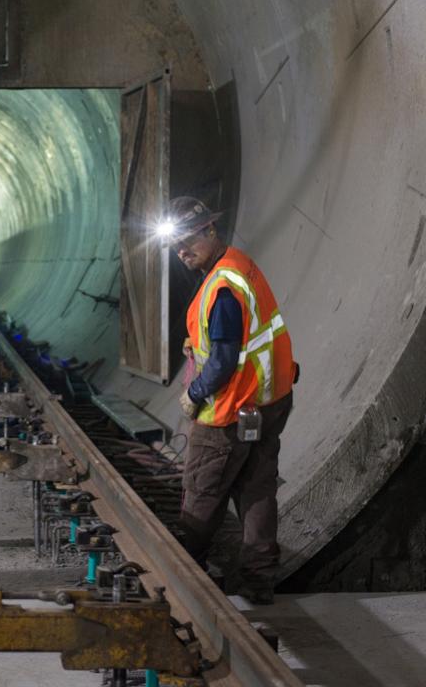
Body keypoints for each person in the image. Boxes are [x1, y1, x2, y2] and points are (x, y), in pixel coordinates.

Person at [165, 196, 296, 605]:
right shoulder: (237, 265)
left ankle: (187, 581)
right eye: (177, 246)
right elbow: (240, 335)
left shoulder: (221, 288)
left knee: (203, 492)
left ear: (210, 230)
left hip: (228, 410)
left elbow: (222, 360)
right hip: (269, 400)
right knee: (257, 490)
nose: (183, 251)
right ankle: (258, 582)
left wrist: (194, 393)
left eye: (189, 240)